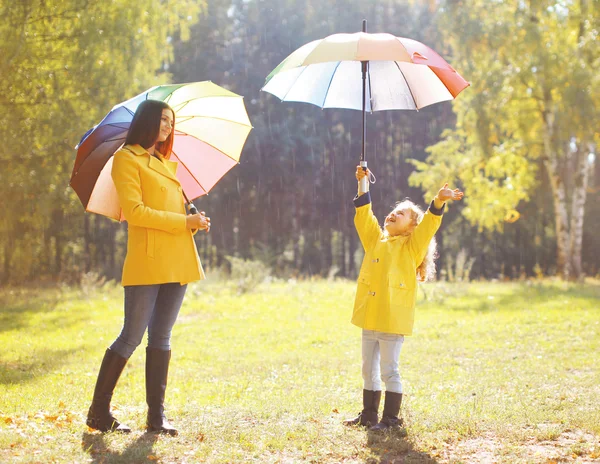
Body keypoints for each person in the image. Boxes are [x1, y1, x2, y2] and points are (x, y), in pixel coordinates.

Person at [86, 99, 210, 435]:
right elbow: (136, 213)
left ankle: (157, 417)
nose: (168, 128)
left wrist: (194, 221)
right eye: (163, 121)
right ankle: (98, 411)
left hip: (179, 258)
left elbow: (174, 211)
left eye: (172, 122)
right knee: (131, 336)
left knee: (162, 337)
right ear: (147, 122)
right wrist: (184, 221)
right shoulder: (126, 160)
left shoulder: (165, 162)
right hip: (149, 259)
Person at [344, 166, 463, 431]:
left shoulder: (411, 247)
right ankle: (369, 415)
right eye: (393, 211)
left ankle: (391, 419)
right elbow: (364, 217)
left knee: (389, 370)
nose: (392, 214)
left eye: (401, 214)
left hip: (392, 318)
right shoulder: (376, 240)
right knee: (368, 369)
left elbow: (430, 224)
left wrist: (439, 201)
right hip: (369, 315)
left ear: (411, 227)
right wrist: (363, 184)